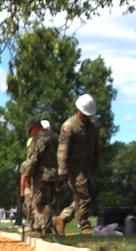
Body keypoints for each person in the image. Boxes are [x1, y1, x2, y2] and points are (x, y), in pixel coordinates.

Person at [54, 94, 99, 235]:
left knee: (86, 195)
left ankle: (62, 218)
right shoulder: (69, 127)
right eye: (85, 115)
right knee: (84, 195)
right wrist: (62, 172)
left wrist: (95, 165)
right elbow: (62, 151)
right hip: (74, 168)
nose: (87, 118)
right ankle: (84, 226)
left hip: (87, 167)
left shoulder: (93, 125)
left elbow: (96, 146)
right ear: (78, 110)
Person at [20, 118, 59, 236]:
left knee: (41, 202)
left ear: (36, 127)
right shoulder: (55, 137)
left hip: (41, 175)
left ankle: (45, 230)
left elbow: (33, 160)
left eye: (31, 131)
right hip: (54, 174)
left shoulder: (38, 139)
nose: (31, 134)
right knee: (51, 201)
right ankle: (46, 229)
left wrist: (27, 175)